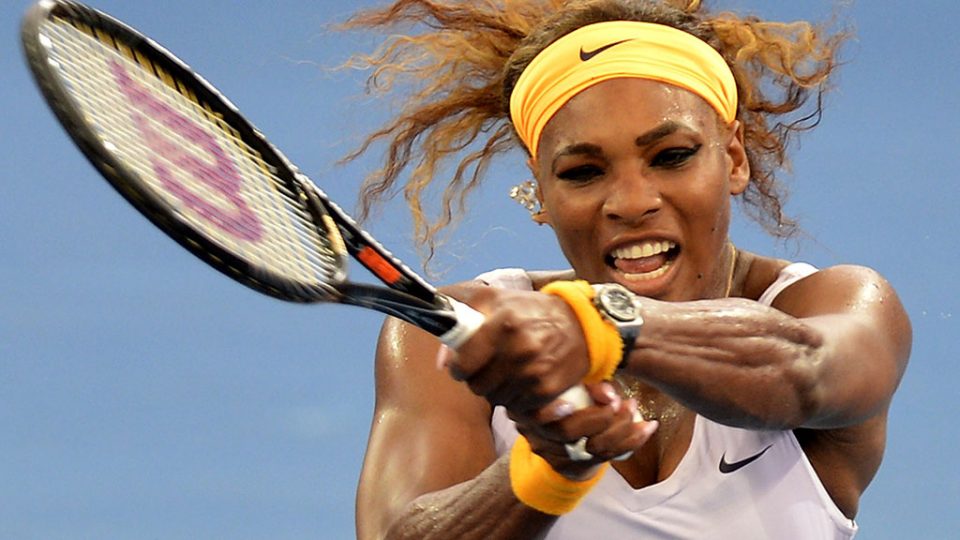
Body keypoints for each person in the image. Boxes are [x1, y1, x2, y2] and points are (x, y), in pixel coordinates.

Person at [340, 1, 912, 538]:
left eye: (671, 157)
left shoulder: (838, 300)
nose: (631, 202)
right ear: (541, 191)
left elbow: (805, 368)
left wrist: (599, 327)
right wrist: (545, 469)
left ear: (734, 158)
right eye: (584, 171)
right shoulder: (443, 335)